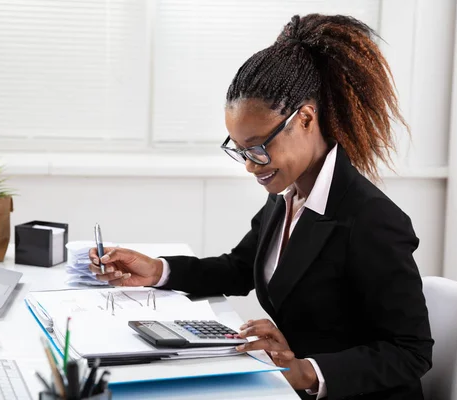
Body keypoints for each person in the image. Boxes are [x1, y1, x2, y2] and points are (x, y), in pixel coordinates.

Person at [89, 13, 433, 400]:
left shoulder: (371, 219)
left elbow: (410, 351)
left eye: (258, 147)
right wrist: (157, 269)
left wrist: (304, 370)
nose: (251, 165)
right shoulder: (286, 195)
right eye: (240, 151)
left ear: (305, 118)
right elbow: (239, 269)